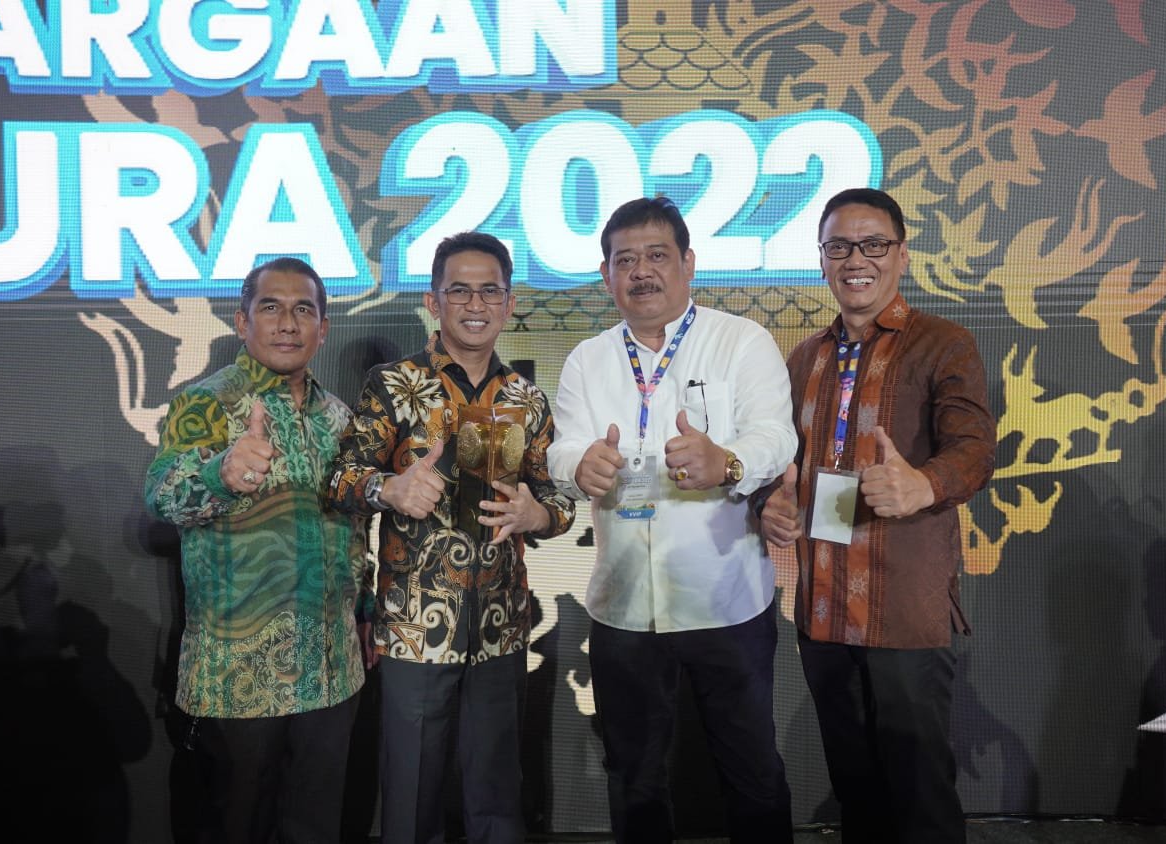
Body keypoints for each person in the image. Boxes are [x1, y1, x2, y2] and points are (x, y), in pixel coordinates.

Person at [546, 197, 797, 843]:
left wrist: (727, 461)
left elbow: (775, 436)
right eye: (625, 260)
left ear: (688, 263)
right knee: (634, 775)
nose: (641, 272)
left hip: (726, 598)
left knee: (750, 768)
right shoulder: (588, 359)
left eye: (657, 255)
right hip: (625, 603)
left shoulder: (741, 341)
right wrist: (579, 465)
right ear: (606, 275)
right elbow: (563, 447)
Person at [758, 187, 997, 843]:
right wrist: (771, 501)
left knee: (920, 797)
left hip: (903, 610)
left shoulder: (943, 344)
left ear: (901, 254)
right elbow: (782, 462)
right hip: (823, 608)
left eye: (873, 245)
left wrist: (922, 484)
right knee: (855, 793)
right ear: (822, 259)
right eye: (839, 247)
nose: (855, 260)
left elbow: (975, 449)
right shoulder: (805, 356)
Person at [326, 231, 575, 844]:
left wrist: (537, 516)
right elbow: (340, 479)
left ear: (509, 303)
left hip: (501, 625)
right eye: (459, 290)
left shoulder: (527, 398)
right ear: (433, 302)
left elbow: (560, 499)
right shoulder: (393, 384)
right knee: (411, 797)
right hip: (414, 627)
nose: (475, 303)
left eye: (490, 291)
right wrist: (389, 489)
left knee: (497, 795)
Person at [145, 256, 373, 844]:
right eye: (271, 308)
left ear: (323, 328)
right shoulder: (206, 404)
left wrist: (365, 609)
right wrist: (220, 473)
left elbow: (354, 529)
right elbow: (162, 496)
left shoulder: (340, 418)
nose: (288, 323)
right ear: (243, 322)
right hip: (236, 680)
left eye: (303, 310)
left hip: (331, 672)